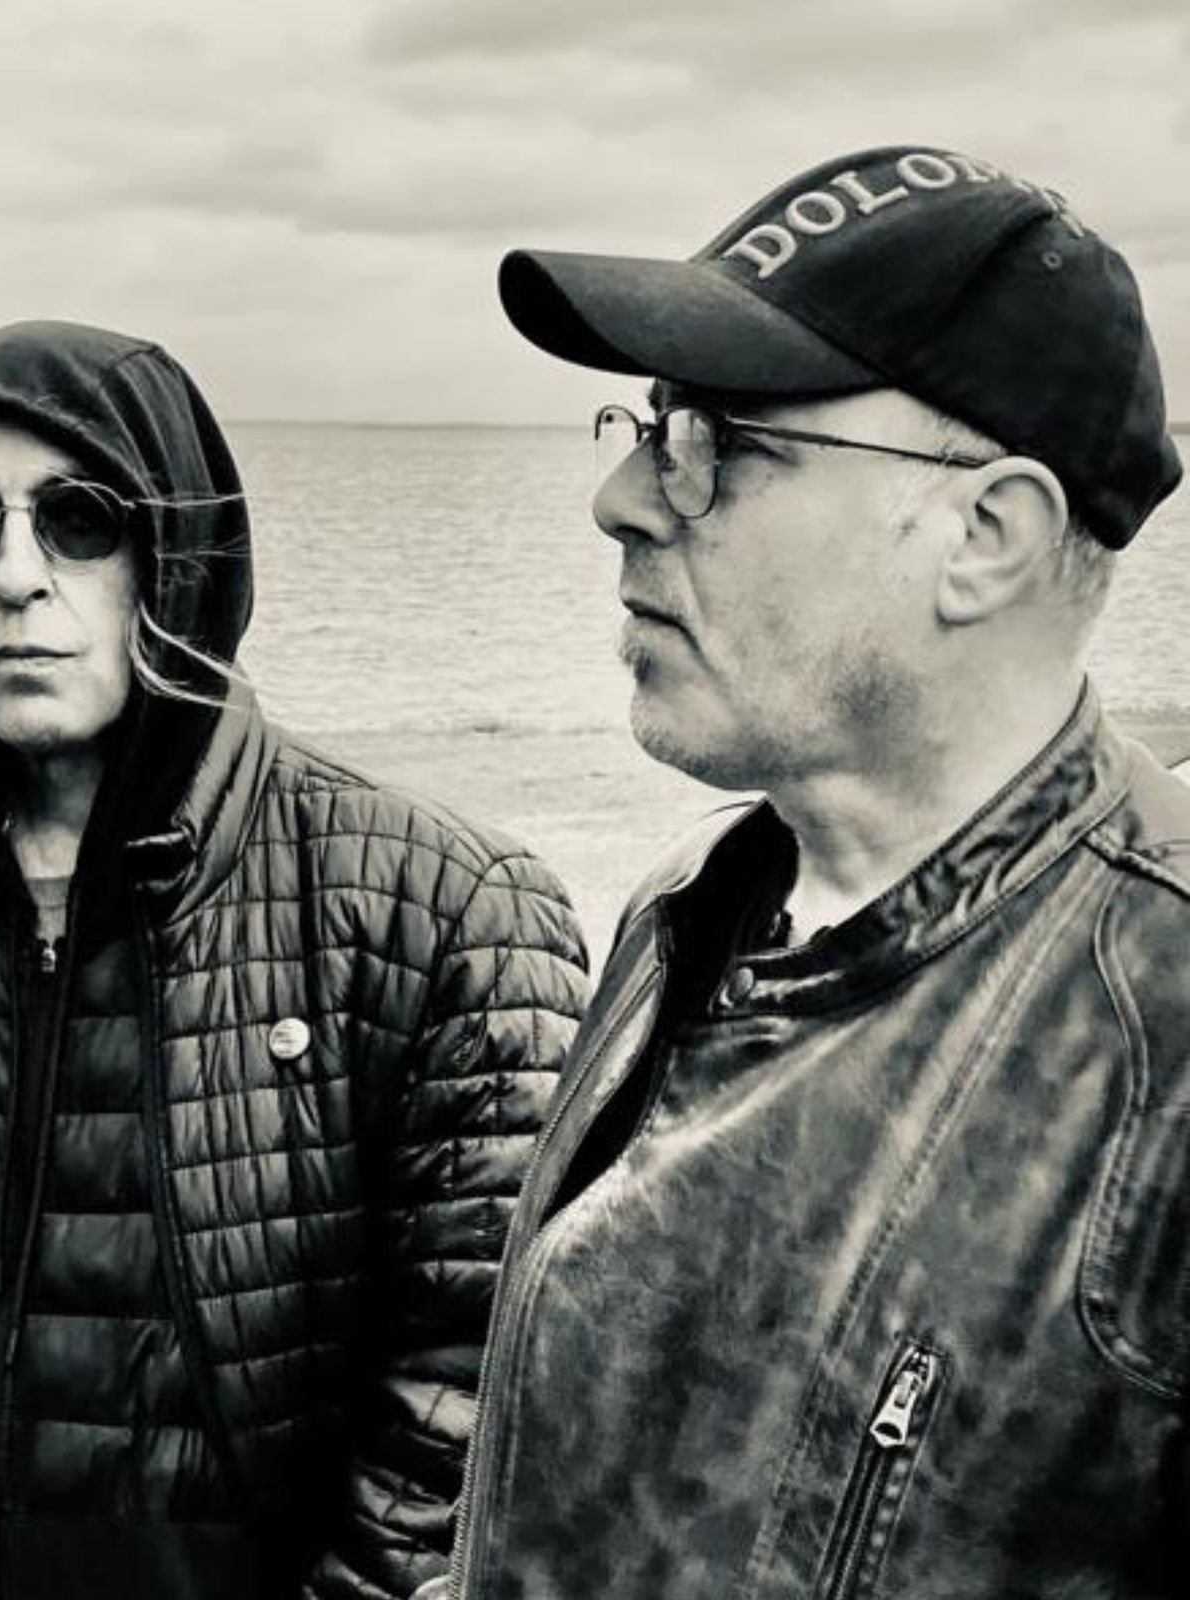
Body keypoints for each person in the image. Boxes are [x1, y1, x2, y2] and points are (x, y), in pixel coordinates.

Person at [436, 147, 1190, 1599]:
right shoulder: (690, 908)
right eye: (645, 425)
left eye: (716, 441)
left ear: (986, 537)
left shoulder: (1161, 1031)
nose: (621, 497)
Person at [0, 320, 587, 1600]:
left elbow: (471, 1404)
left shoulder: (448, 913)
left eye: (78, 519)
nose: (14, 577)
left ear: (177, 555)